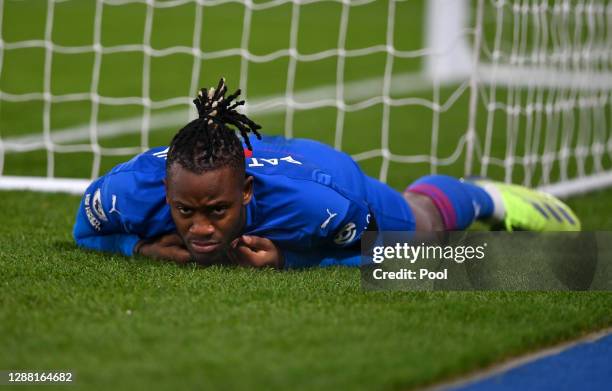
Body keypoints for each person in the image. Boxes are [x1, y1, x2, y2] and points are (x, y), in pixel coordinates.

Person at [73, 79, 581, 269]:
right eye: (185, 211)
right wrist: (133, 247)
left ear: (246, 191)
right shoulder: (125, 192)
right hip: (254, 160)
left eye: (218, 211)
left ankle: (484, 196)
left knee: (422, 233)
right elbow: (81, 233)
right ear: (164, 189)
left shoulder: (322, 204)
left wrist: (291, 257)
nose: (200, 229)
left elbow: (366, 256)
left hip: (324, 170)